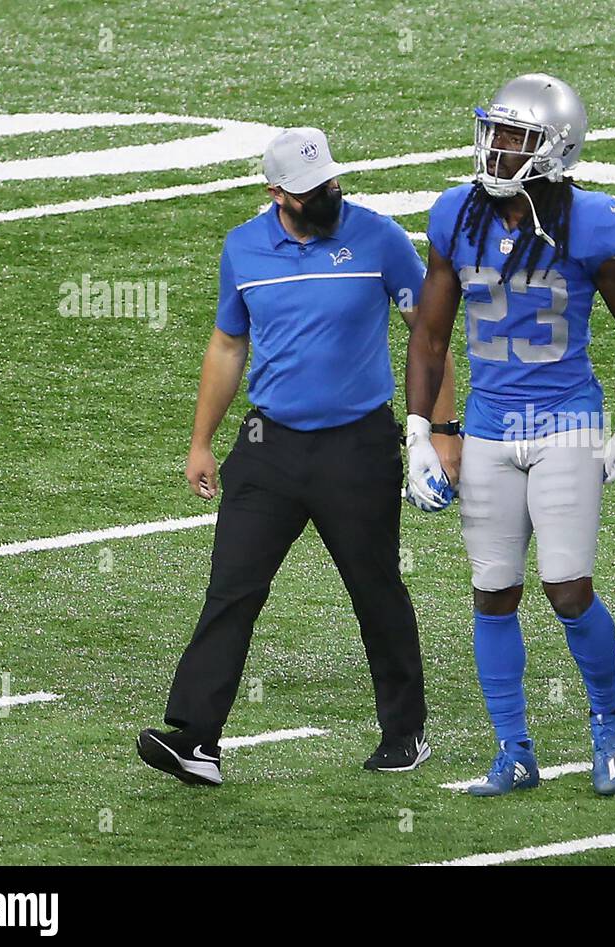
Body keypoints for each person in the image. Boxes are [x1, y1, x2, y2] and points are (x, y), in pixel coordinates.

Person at [136, 127, 460, 786]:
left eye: (332, 182)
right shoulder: (244, 248)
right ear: (276, 192)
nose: (329, 195)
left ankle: (405, 732)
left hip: (358, 446)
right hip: (268, 448)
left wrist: (444, 432)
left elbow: (428, 337)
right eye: (313, 189)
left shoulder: (379, 240)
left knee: (376, 592)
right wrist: (201, 441)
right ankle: (196, 740)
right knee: (232, 589)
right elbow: (228, 347)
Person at [404, 74, 615, 797]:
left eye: (516, 138)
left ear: (557, 148)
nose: (497, 148)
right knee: (492, 591)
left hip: (565, 422)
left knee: (567, 586)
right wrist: (420, 430)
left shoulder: (592, 224)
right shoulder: (456, 215)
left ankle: (607, 721)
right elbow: (429, 336)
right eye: (495, 132)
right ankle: (514, 750)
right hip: (487, 427)